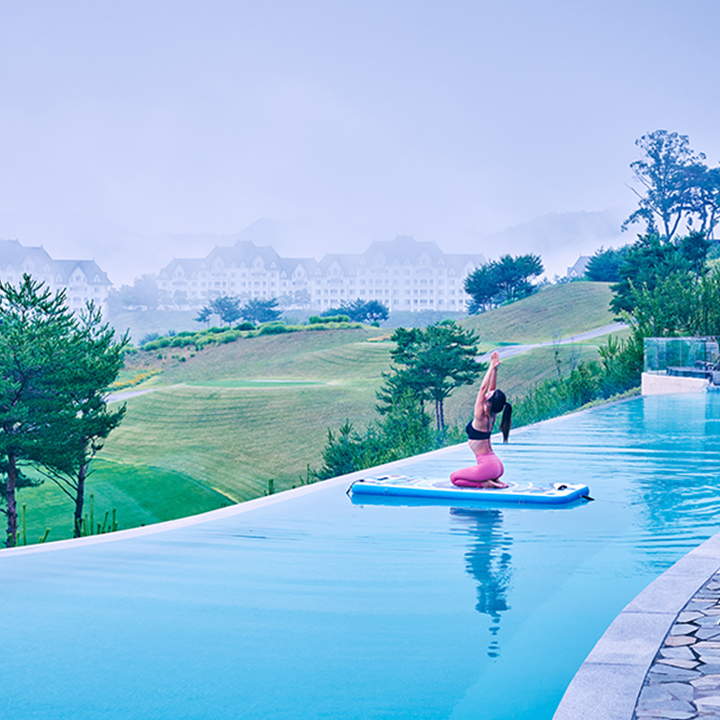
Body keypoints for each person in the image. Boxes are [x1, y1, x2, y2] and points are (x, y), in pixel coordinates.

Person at [451, 350, 512, 489]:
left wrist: (490, 367)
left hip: (488, 467)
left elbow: (483, 389)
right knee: (461, 476)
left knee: (454, 478)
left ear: (489, 403)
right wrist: (495, 369)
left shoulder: (480, 416)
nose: (487, 393)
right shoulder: (492, 414)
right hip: (497, 466)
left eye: (489, 395)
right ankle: (494, 480)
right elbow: (491, 388)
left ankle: (486, 483)